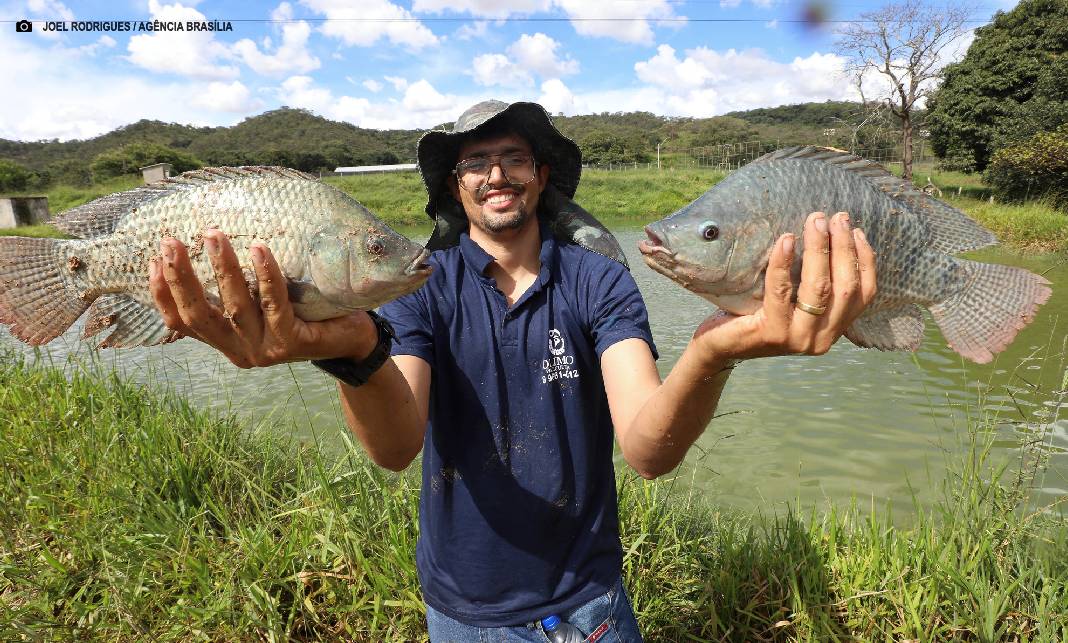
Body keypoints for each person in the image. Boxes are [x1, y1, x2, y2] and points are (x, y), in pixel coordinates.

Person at [148, 100, 876, 641]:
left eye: (516, 159)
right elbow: (397, 445)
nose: (497, 174)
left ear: (541, 176)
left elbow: (649, 448)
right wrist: (353, 351)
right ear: (455, 184)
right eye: (476, 162)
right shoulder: (418, 289)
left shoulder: (600, 282)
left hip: (591, 605)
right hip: (461, 613)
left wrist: (715, 350)